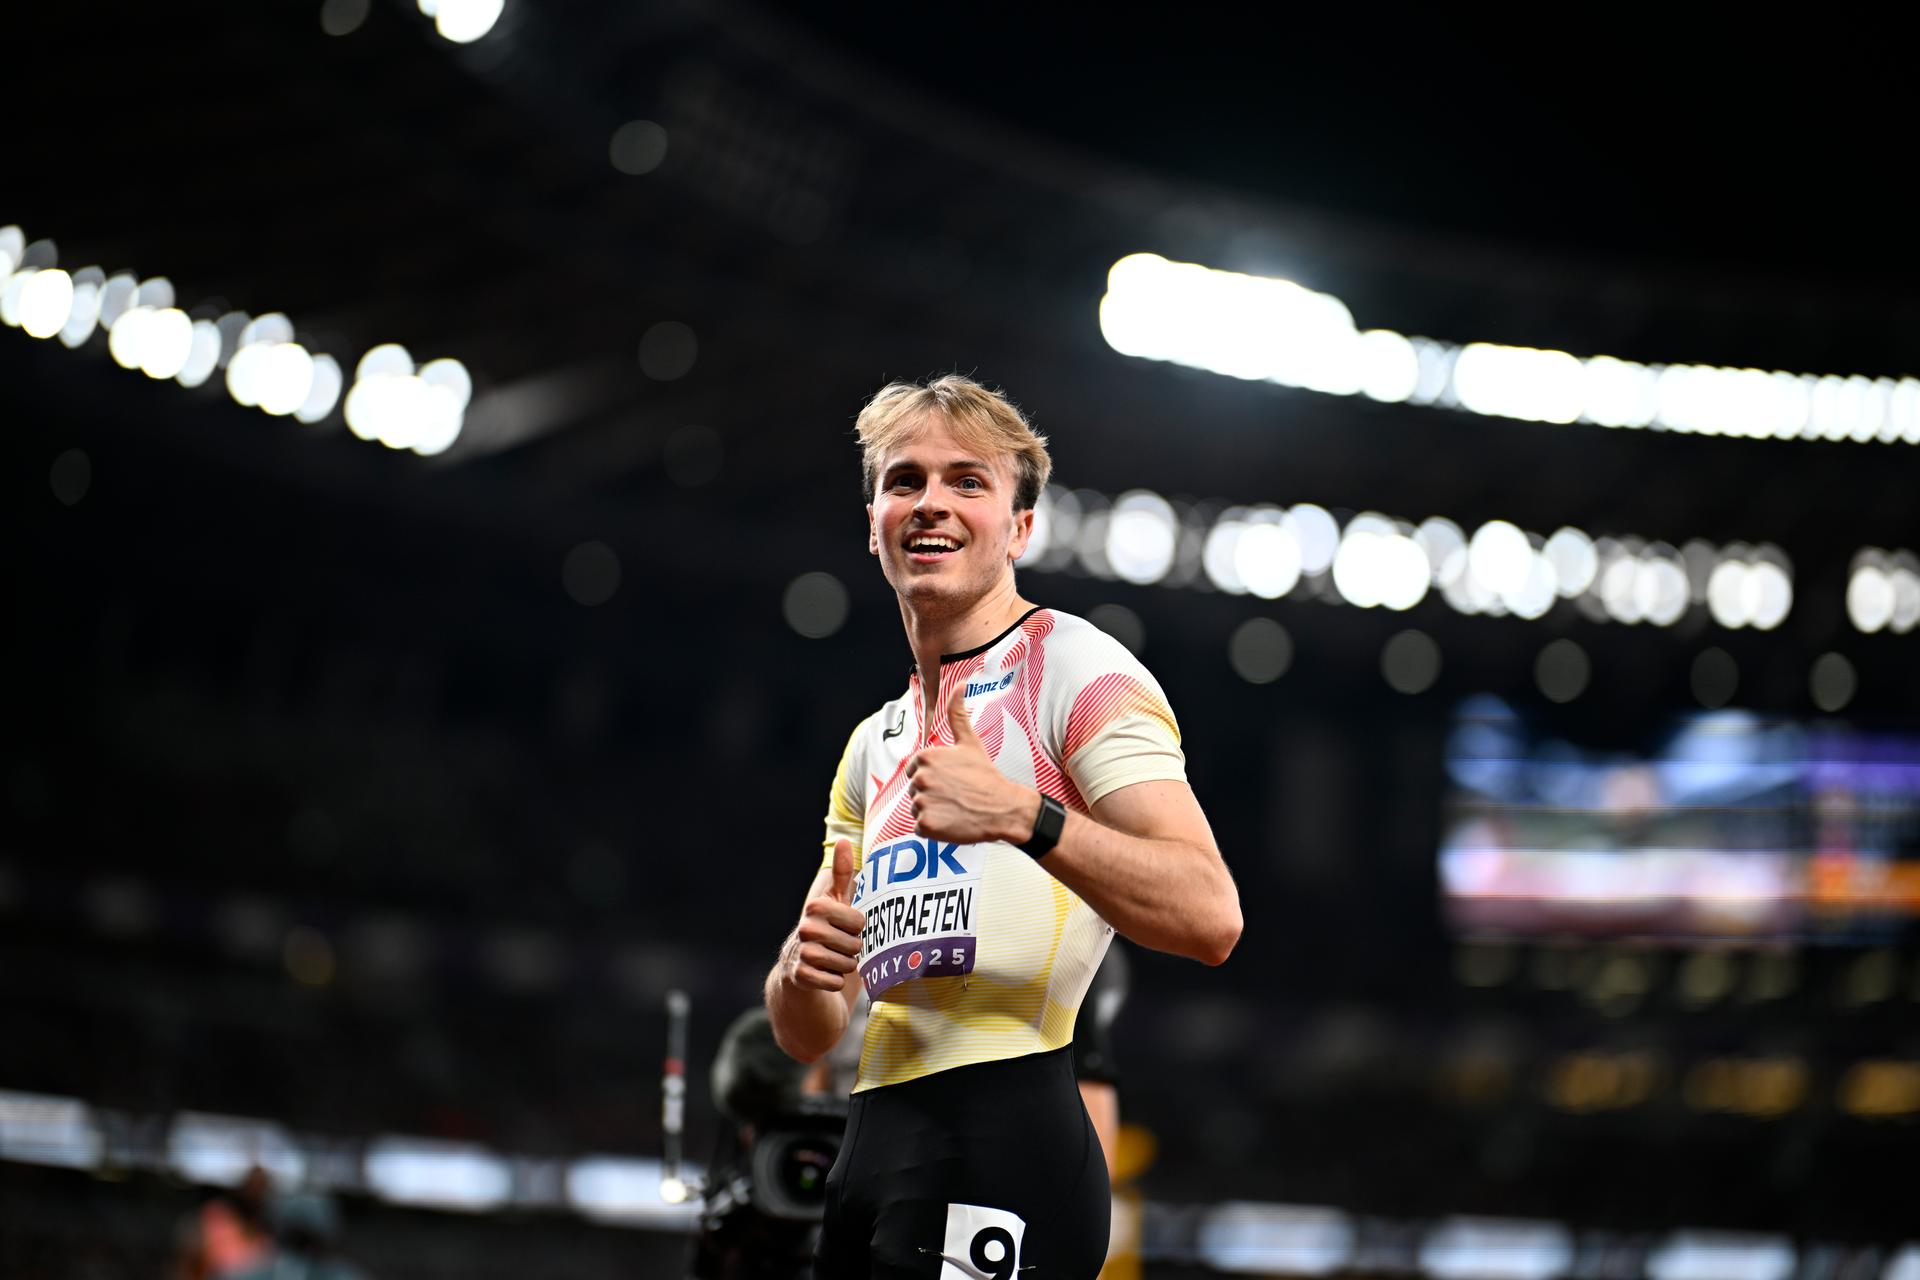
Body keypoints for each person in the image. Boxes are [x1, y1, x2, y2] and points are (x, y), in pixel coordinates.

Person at [763, 375, 1242, 1279]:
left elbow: (1211, 913)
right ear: (873, 522)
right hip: (867, 1146)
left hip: (1002, 1137)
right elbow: (810, 1031)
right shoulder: (877, 741)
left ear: (1021, 528)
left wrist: (1025, 815)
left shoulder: (1075, 668)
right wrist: (799, 969)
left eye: (967, 481)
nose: (930, 501)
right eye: (904, 481)